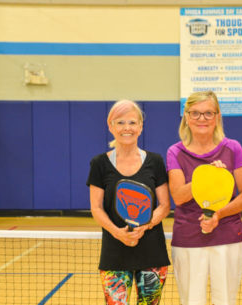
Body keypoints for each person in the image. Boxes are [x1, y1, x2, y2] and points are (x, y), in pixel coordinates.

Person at [166, 91, 242, 305]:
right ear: (186, 116)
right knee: (191, 301)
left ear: (217, 116)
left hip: (227, 234)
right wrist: (206, 176)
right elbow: (178, 197)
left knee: (226, 300)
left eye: (207, 113)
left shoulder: (233, 148)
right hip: (188, 237)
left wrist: (218, 215)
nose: (201, 119)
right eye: (195, 113)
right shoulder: (175, 152)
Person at [87, 99, 171, 305]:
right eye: (120, 122)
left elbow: (164, 205)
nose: (127, 128)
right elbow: (96, 208)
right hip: (114, 253)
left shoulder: (155, 161)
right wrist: (117, 232)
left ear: (141, 127)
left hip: (152, 250)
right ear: (110, 126)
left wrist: (145, 226)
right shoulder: (100, 163)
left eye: (132, 122)